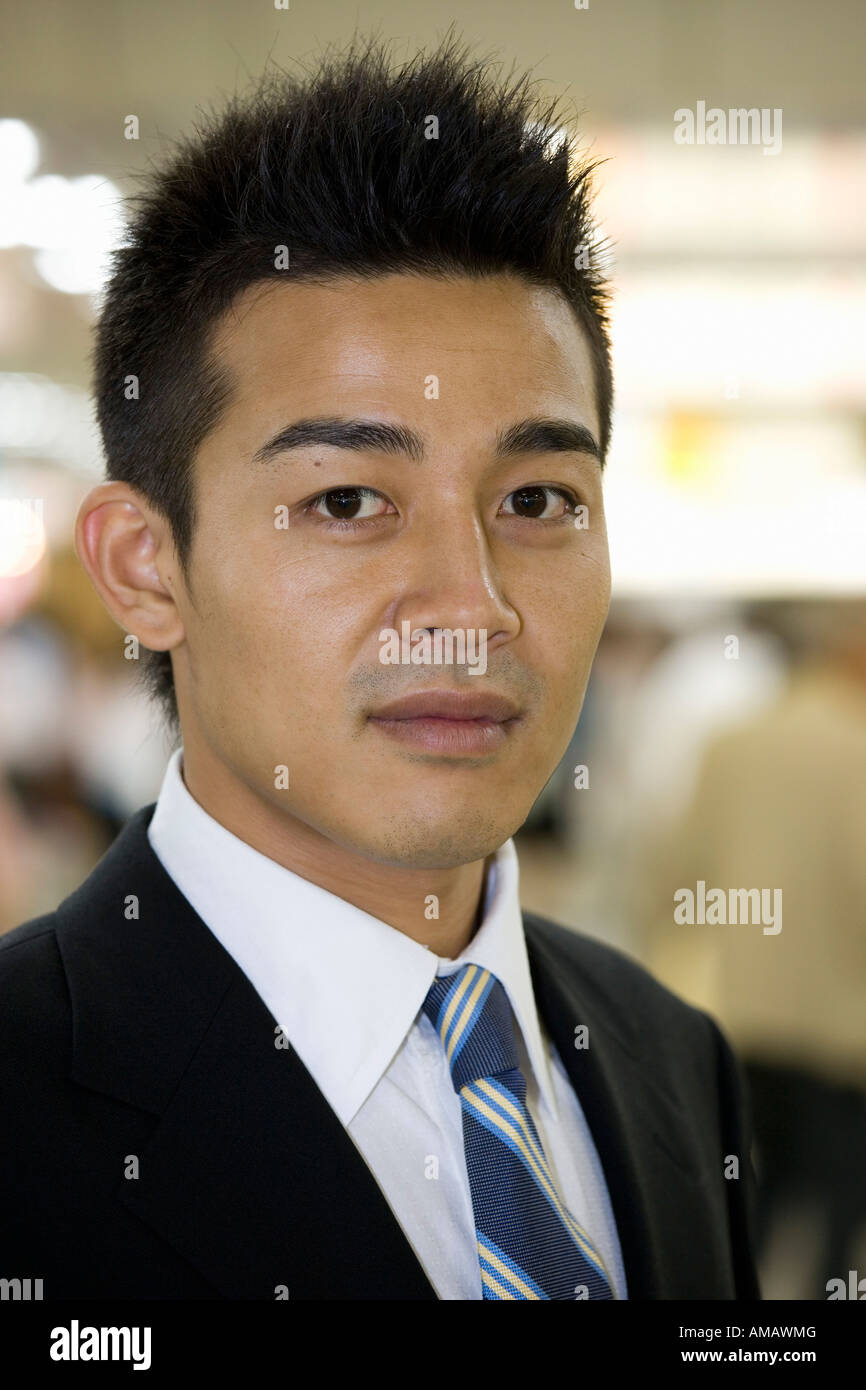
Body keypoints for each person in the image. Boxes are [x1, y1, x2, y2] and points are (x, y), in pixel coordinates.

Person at [0, 33, 760, 1301]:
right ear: (146, 567)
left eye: (536, 497)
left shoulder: (666, 1058)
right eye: (348, 499)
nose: (472, 605)